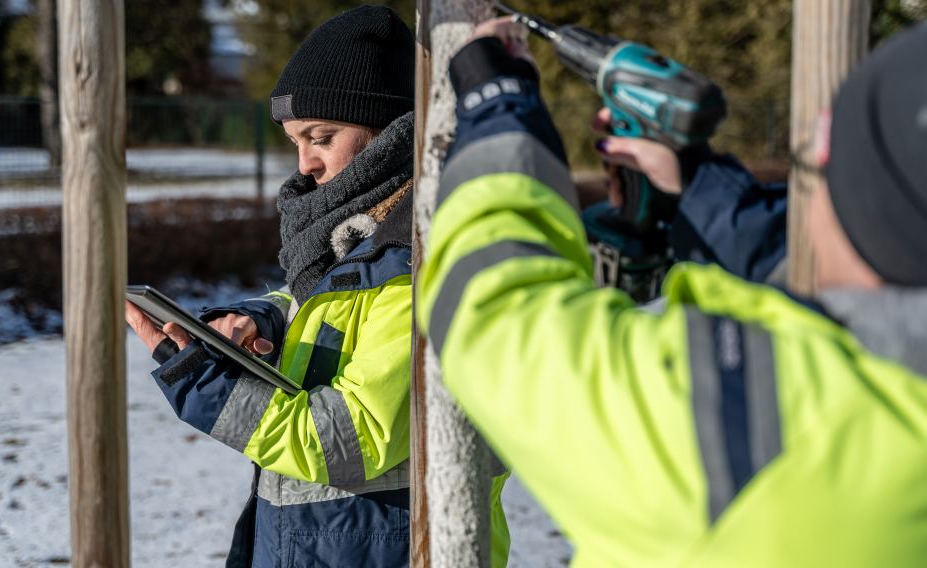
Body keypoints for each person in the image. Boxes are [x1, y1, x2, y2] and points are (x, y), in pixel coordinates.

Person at [419, 15, 927, 567]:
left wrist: (499, 108)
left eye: (809, 168)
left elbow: (495, 315)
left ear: (859, 201)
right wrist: (696, 187)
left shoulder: (752, 433)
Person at [126, 6, 510, 567]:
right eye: (293, 142)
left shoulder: (427, 257)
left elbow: (348, 439)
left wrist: (207, 389)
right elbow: (326, 302)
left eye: (321, 137)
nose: (304, 165)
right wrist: (262, 320)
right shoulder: (357, 235)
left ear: (389, 132)